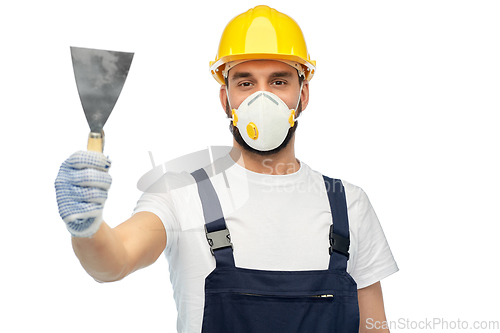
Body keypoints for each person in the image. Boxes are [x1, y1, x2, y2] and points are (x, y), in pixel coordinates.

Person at [55, 5, 398, 333]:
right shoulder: (179, 195)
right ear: (225, 99)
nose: (262, 100)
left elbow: (374, 329)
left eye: (279, 82)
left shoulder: (349, 204)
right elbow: (113, 262)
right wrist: (88, 228)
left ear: (303, 95)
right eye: (246, 83)